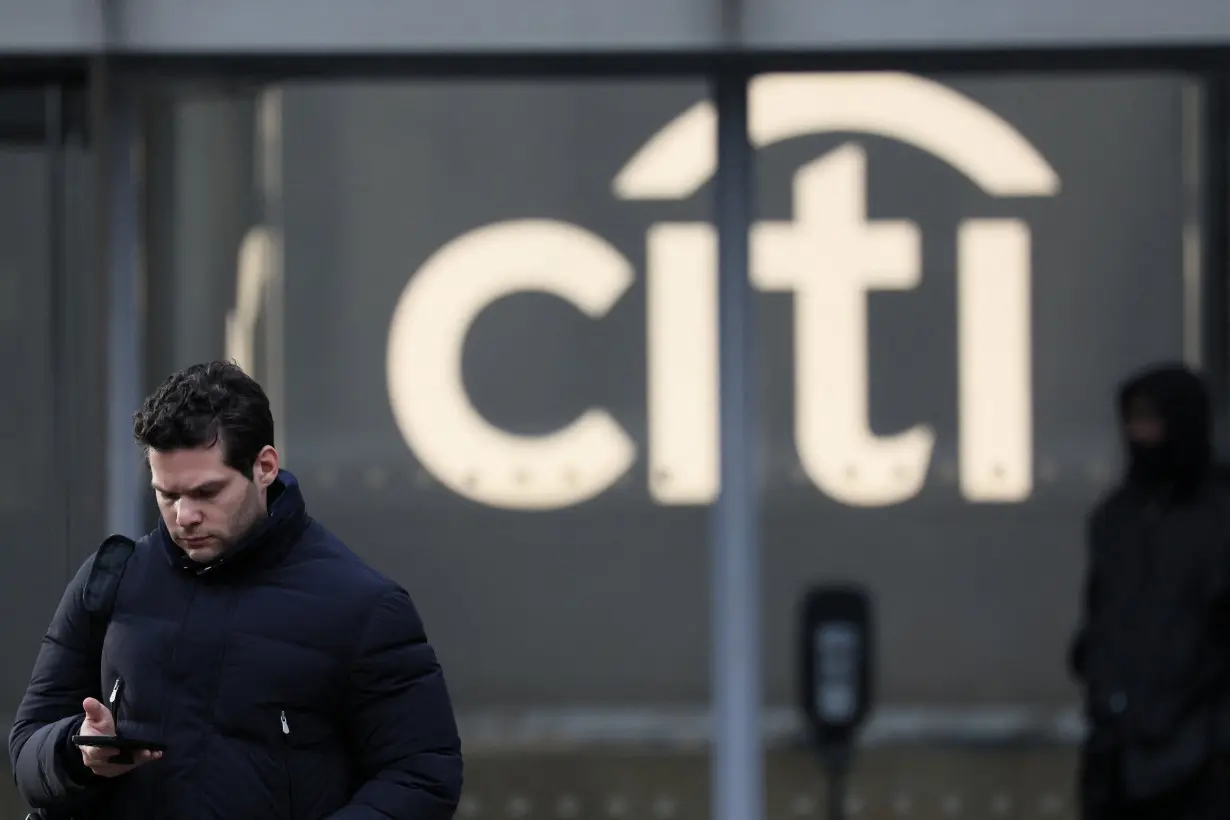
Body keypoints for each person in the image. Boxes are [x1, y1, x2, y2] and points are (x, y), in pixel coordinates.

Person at [9, 361, 463, 819]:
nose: (184, 515)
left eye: (207, 492)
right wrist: (78, 752)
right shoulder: (112, 578)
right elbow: (27, 749)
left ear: (264, 466)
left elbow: (421, 777)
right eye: (167, 495)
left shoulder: (363, 607)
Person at [1070, 363, 1230, 819]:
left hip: (1198, 760)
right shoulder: (1114, 519)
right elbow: (1102, 616)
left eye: (1152, 421)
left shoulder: (1218, 517)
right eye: (1133, 420)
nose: (1140, 434)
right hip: (1118, 755)